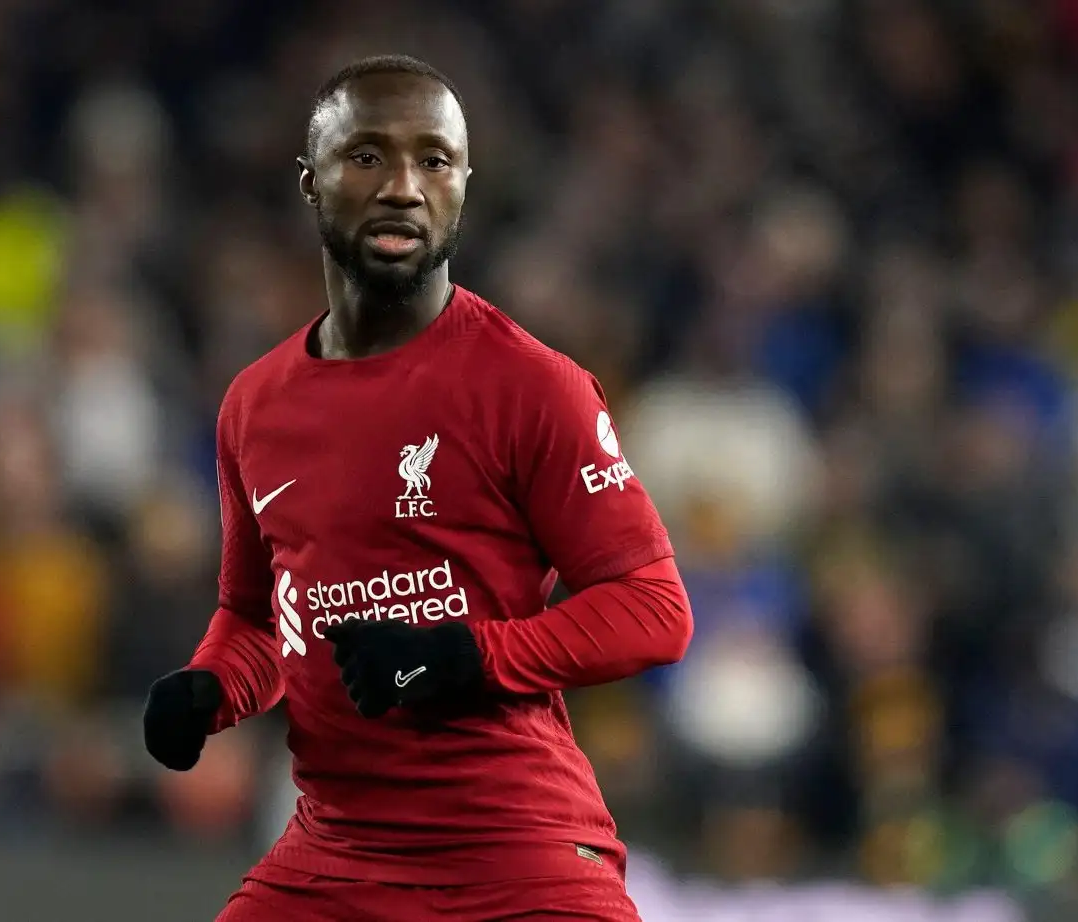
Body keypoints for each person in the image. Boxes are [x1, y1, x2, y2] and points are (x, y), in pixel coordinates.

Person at [142, 54, 693, 922]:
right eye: (366, 156)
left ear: (463, 185)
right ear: (310, 183)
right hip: (339, 850)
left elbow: (654, 608)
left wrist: (469, 655)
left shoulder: (529, 385)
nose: (403, 185)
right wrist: (211, 688)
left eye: (433, 160)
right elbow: (259, 618)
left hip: (516, 850)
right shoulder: (254, 405)